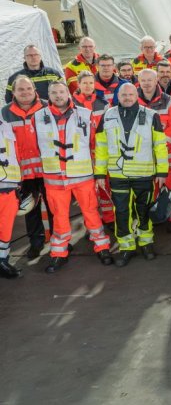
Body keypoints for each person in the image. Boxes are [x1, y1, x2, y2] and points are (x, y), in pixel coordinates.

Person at [38, 82, 112, 273]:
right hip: (54, 179)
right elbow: (34, 147)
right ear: (49, 95)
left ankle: (102, 247)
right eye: (54, 92)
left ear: (68, 93)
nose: (58, 95)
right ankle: (59, 253)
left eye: (61, 91)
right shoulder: (38, 117)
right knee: (59, 218)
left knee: (91, 213)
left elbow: (97, 145)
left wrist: (99, 172)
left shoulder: (85, 115)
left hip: (83, 177)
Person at [94, 82, 167, 266]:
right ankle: (126, 247)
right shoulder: (107, 116)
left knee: (143, 211)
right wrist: (100, 174)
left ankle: (146, 243)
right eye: (123, 94)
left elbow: (160, 146)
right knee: (121, 212)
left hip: (144, 174)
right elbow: (100, 148)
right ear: (118, 96)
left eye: (130, 94)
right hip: (118, 176)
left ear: (137, 95)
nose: (127, 97)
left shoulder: (151, 115)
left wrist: (162, 171)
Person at [2, 77, 48, 259]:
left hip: (47, 169)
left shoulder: (47, 107)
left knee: (55, 208)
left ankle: (61, 241)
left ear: (34, 89)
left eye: (28, 88)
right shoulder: (4, 113)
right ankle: (36, 244)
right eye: (20, 89)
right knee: (30, 210)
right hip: (23, 172)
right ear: (13, 92)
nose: (25, 92)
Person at [136, 69, 171, 233]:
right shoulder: (132, 101)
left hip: (167, 154)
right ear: (139, 81)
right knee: (150, 187)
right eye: (143, 80)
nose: (147, 84)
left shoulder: (170, 102)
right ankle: (158, 212)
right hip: (143, 156)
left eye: (150, 80)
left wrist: (158, 148)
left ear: (156, 80)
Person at [0, 109, 23, 278]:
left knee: (5, 228)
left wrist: (19, 183)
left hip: (9, 187)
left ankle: (2, 260)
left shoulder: (7, 127)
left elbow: (15, 155)